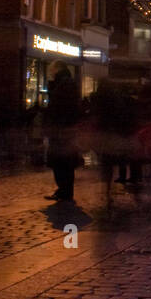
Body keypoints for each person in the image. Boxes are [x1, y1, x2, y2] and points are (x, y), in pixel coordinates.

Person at [44, 63, 83, 202]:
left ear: (57, 69)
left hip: (61, 130)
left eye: (51, 69)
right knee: (64, 162)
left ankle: (64, 191)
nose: (50, 72)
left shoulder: (63, 84)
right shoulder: (67, 83)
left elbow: (58, 108)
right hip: (64, 129)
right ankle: (64, 191)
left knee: (61, 162)